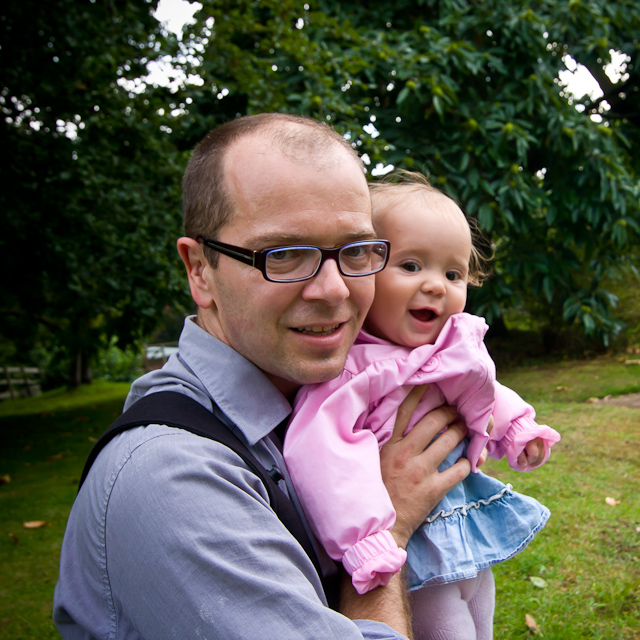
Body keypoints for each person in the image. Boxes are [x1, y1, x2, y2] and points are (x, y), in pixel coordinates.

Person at [53, 114, 474, 640]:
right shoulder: (173, 480)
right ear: (199, 270)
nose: (334, 290)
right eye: (285, 254)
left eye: (355, 251)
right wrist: (385, 528)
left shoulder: (330, 400)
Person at [283, 171, 561, 640]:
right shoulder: (353, 372)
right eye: (411, 266)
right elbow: (321, 457)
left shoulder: (450, 349)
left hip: (462, 526)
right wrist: (367, 539)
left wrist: (514, 427)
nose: (436, 285)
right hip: (410, 551)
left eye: (453, 274)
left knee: (481, 618)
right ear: (361, 272)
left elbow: (483, 387)